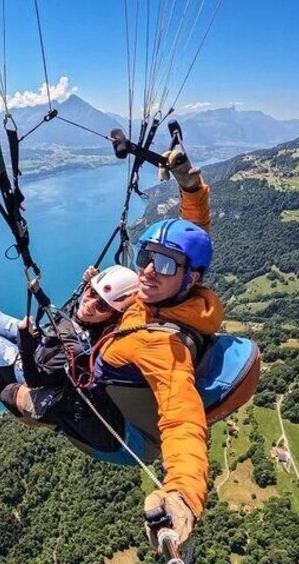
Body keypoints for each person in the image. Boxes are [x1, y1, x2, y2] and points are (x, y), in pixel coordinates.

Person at [93, 148, 221, 552]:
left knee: (15, 392)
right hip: (116, 348)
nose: (147, 270)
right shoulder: (171, 296)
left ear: (189, 278)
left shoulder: (167, 345)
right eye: (148, 258)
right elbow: (194, 232)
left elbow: (183, 422)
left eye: (164, 266)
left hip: (107, 412)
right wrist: (191, 187)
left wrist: (182, 495)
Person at [0, 265, 139, 450]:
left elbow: (35, 380)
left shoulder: (78, 348)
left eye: (101, 305)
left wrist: (24, 341)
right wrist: (87, 283)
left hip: (29, 368)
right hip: (41, 346)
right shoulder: (86, 316)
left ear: (113, 314)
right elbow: (74, 305)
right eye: (91, 293)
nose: (89, 304)